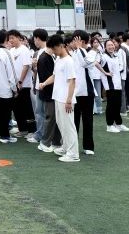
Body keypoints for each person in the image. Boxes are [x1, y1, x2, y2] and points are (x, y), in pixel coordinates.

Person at [38, 34, 78, 163]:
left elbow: (72, 81)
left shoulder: (69, 61)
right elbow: (54, 76)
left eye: (54, 49)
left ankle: (73, 154)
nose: (53, 52)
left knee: (68, 126)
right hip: (58, 97)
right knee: (61, 125)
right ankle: (66, 147)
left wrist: (69, 100)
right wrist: (44, 83)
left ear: (61, 46)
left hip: (65, 99)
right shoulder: (59, 59)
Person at [100, 39, 128, 133]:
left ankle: (118, 124)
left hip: (117, 84)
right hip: (110, 85)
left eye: (112, 45)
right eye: (108, 45)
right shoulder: (103, 57)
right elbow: (95, 63)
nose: (111, 47)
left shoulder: (115, 56)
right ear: (105, 47)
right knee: (111, 105)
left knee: (117, 104)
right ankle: (109, 125)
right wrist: (105, 72)